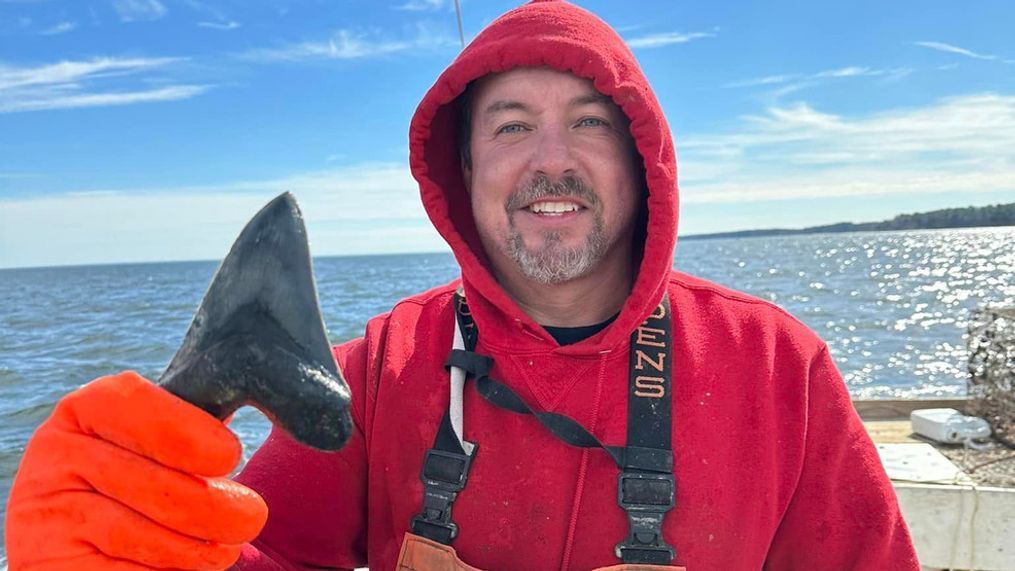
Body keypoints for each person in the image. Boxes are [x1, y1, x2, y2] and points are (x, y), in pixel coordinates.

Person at [5, 1, 920, 569]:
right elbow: (267, 548)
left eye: (590, 123)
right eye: (511, 127)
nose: (550, 162)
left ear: (645, 163)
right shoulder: (378, 370)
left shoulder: (776, 368)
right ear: (461, 169)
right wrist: (121, 542)